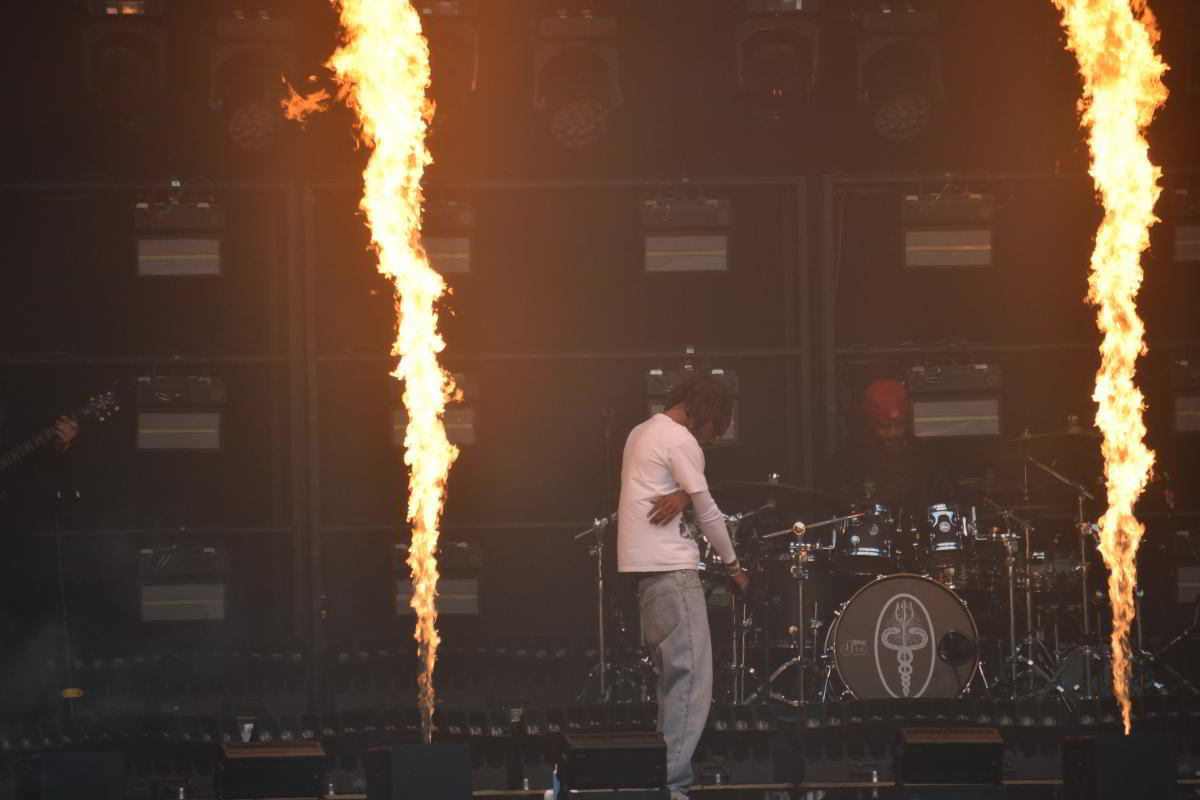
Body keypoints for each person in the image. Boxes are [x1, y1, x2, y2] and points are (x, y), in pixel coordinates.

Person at [616, 374, 749, 800]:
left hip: (648, 581)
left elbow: (679, 495)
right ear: (706, 415)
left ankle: (664, 779)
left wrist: (683, 496)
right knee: (692, 684)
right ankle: (671, 787)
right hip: (674, 576)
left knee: (672, 686)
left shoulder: (641, 432)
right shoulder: (680, 440)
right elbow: (710, 512)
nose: (709, 442)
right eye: (714, 430)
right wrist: (733, 566)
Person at [823, 378, 950, 510]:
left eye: (900, 424)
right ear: (869, 423)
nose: (894, 433)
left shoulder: (925, 457)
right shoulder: (848, 460)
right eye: (885, 427)